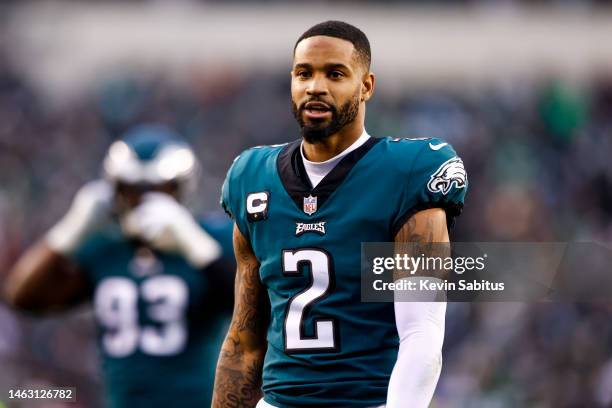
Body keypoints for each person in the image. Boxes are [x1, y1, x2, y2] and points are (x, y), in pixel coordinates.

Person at [213, 21, 468, 408]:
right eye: (304, 74)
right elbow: (245, 340)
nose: (316, 86)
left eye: (335, 74)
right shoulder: (252, 177)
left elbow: (422, 332)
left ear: (366, 86)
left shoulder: (406, 171)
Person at [4, 124, 235, 407]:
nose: (144, 200)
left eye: (160, 188)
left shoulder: (212, 239)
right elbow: (23, 297)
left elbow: (254, 307)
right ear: (114, 189)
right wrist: (71, 229)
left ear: (182, 188)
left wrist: (195, 246)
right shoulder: (106, 247)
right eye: (132, 189)